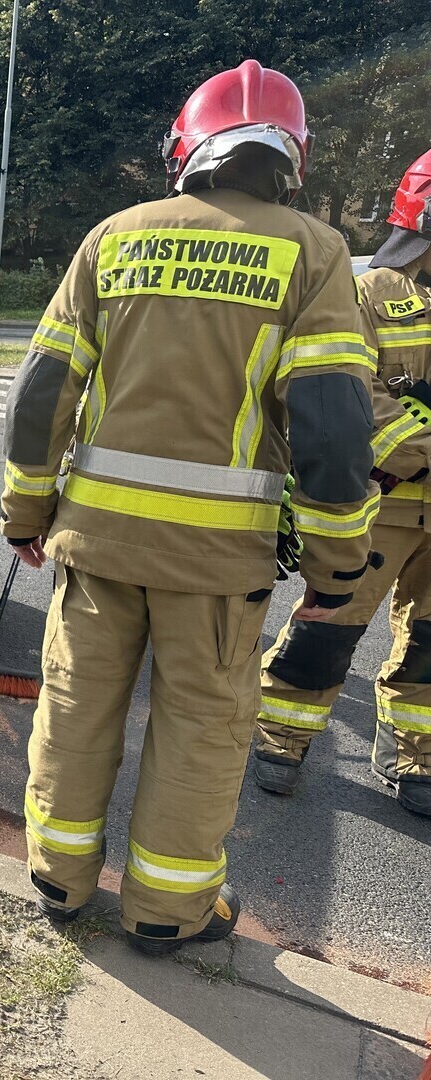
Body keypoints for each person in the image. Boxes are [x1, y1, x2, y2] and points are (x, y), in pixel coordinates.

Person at [0, 60, 378, 955]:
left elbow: (41, 390)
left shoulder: (115, 236)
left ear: (187, 145)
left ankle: (59, 879)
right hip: (214, 569)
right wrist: (336, 571)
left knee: (76, 708)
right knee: (200, 732)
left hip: (96, 546)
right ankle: (167, 913)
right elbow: (330, 427)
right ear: (290, 156)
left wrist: (26, 514)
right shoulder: (312, 252)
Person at [253, 149, 431, 817]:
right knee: (330, 629)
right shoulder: (371, 293)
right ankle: (280, 737)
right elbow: (356, 399)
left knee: (429, 644)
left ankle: (416, 756)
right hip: (384, 503)